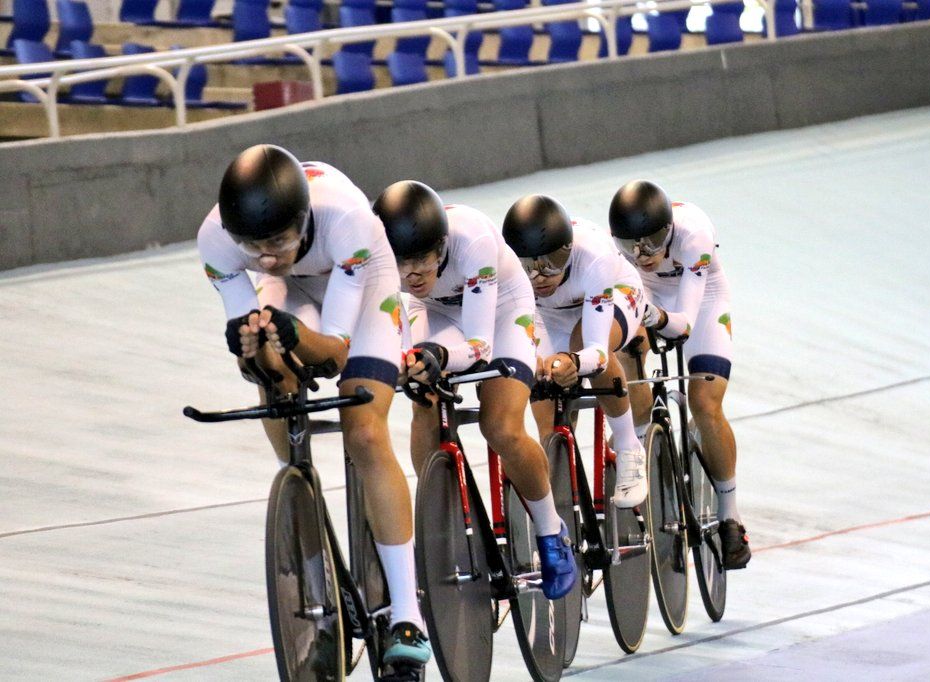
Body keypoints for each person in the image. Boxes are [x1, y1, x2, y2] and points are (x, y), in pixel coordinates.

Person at [196, 144, 431, 671]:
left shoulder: (344, 219)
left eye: (277, 240)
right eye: (251, 246)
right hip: (294, 290)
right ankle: (296, 485)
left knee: (365, 432)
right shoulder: (216, 241)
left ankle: (407, 613)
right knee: (270, 369)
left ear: (302, 221)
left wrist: (296, 335)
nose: (264, 256)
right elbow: (249, 351)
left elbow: (335, 354)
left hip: (364, 286)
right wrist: (256, 350)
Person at [373, 180, 576, 600]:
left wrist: (439, 358)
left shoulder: (475, 241)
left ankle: (550, 531)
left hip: (502, 311)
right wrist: (410, 362)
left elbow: (481, 347)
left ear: (442, 247)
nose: (411, 272)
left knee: (499, 425)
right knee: (421, 396)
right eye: (401, 262)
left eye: (422, 261)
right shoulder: (387, 262)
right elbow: (398, 337)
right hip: (435, 311)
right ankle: (439, 516)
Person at [608, 179, 750, 569]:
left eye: (651, 243)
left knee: (705, 404)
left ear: (668, 230)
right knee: (625, 349)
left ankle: (730, 513)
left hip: (701, 301)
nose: (641, 254)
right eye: (631, 247)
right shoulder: (616, 250)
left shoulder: (694, 235)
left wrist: (649, 316)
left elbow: (684, 322)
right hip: (648, 295)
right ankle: (638, 444)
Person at [502, 194, 649, 509]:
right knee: (542, 383)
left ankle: (628, 446)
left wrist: (573, 360)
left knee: (583, 347)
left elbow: (595, 350)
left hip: (615, 294)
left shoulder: (593, 257)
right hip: (550, 314)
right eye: (528, 266)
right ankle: (560, 483)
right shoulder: (505, 268)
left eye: (550, 264)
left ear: (567, 251)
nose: (539, 276)